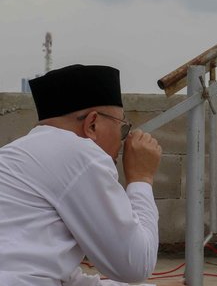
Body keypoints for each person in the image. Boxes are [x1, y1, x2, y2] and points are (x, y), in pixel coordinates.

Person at [0, 65, 183, 286]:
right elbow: (135, 265)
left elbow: (57, 273)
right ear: (92, 124)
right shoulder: (79, 152)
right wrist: (141, 179)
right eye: (122, 127)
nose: (123, 140)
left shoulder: (18, 153)